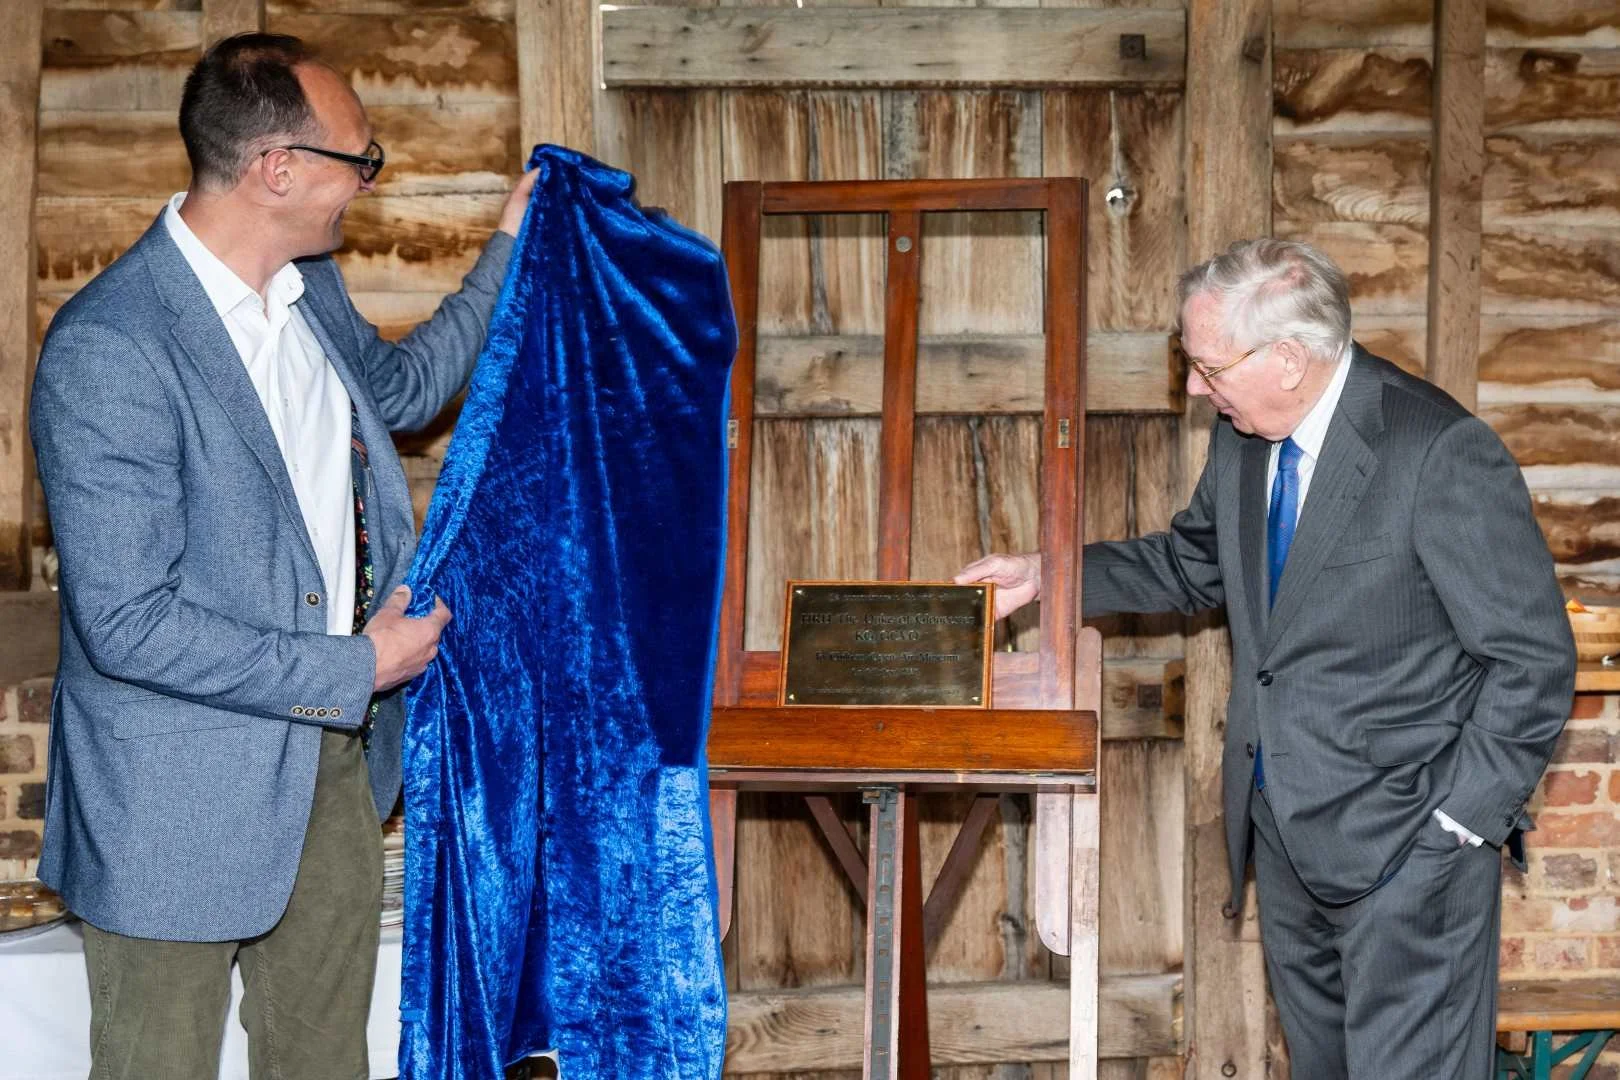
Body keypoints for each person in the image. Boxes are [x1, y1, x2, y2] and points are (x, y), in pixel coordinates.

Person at [29, 32, 535, 1079]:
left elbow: (400, 394)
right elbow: (125, 624)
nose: (367, 183)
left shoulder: (312, 292)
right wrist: (360, 668)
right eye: (363, 159)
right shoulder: (110, 346)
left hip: (329, 771)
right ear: (281, 170)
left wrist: (511, 250)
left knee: (321, 1066)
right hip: (172, 796)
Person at [957, 239, 1575, 1078]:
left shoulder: (1437, 452)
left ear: (1288, 359)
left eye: (1208, 367)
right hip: (1283, 844)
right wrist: (1050, 574)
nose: (1193, 387)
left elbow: (1532, 660)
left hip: (1412, 852)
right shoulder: (1248, 440)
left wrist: (1458, 827)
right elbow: (1190, 562)